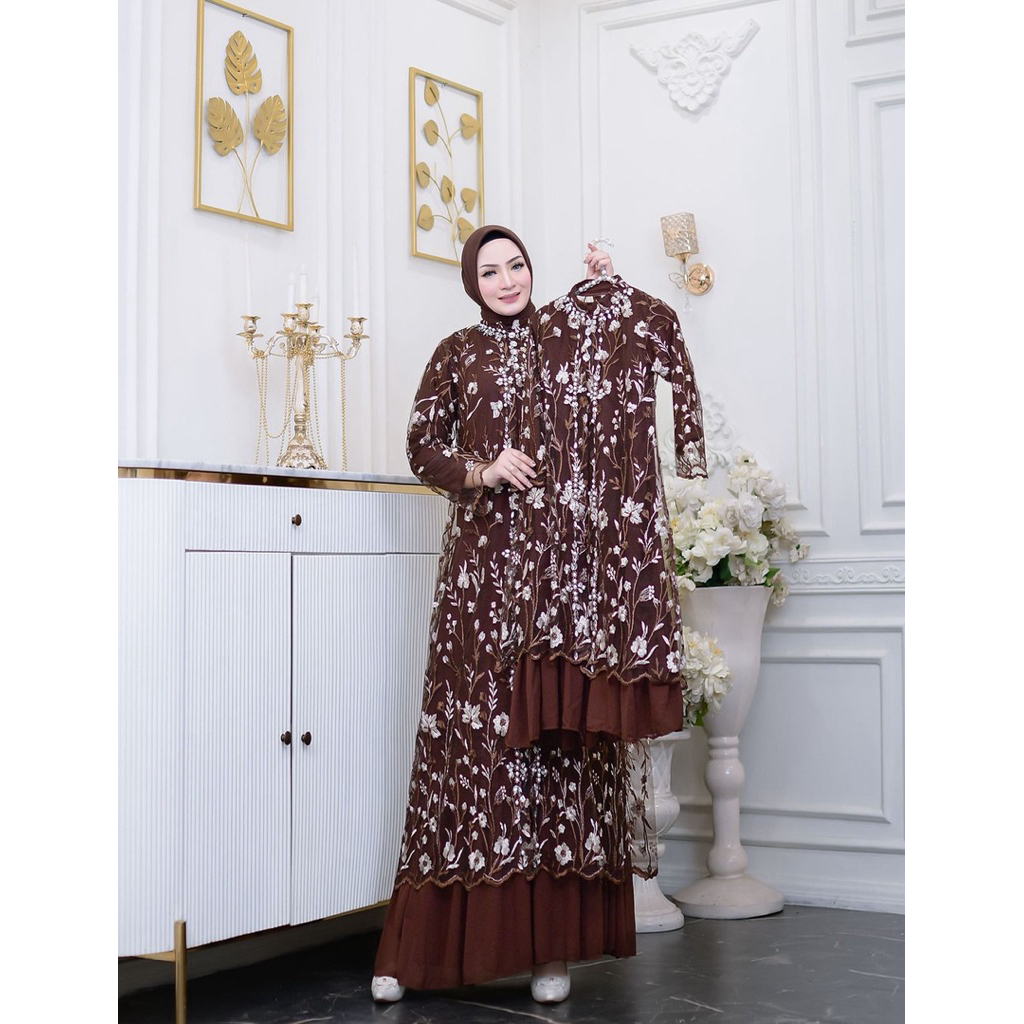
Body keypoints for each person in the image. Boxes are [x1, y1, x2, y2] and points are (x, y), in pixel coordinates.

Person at [371, 226, 650, 1005]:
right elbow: (422, 445)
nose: (506, 280)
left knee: (550, 748)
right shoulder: (456, 353)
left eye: (516, 265)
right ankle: (419, 951)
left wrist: (608, 289)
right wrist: (483, 468)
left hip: (561, 579)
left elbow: (622, 375)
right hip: (481, 580)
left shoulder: (564, 341)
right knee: (475, 745)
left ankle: (547, 952)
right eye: (490, 270)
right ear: (473, 282)